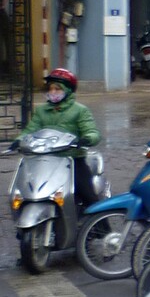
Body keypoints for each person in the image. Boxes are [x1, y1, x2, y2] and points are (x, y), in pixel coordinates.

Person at [21, 68, 104, 206]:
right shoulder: (41, 111)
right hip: (45, 160)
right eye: (50, 89)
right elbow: (31, 129)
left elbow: (92, 131)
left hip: (72, 159)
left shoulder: (80, 110)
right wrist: (19, 140)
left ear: (68, 91)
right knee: (27, 190)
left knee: (89, 196)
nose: (53, 92)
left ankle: (101, 226)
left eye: (57, 89)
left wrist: (87, 138)